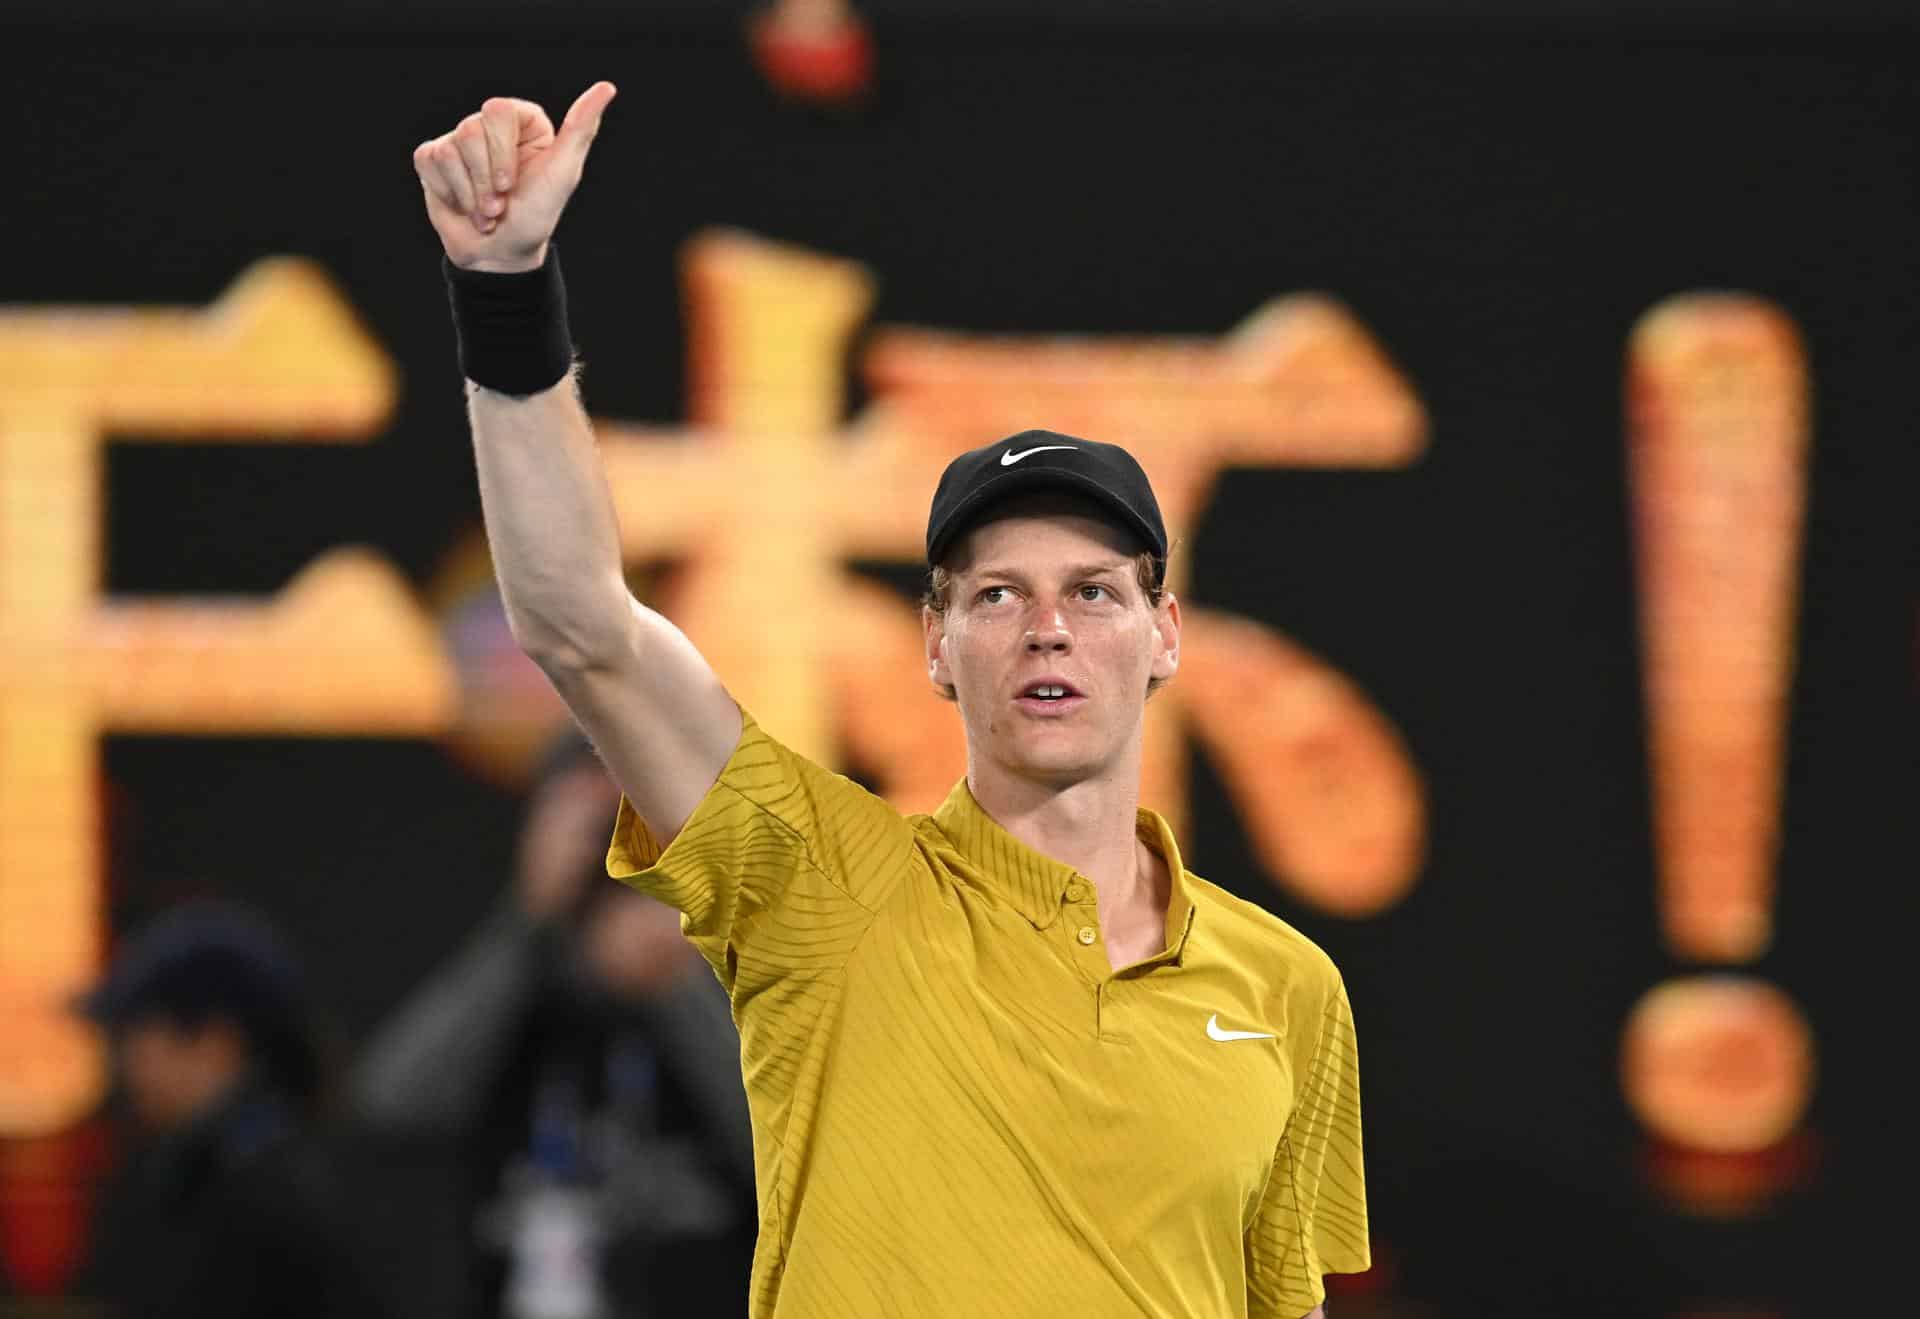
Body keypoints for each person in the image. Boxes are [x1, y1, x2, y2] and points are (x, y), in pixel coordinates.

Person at [413, 82, 1368, 1318]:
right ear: (937, 644)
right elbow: (578, 623)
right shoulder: (824, 885)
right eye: (997, 594)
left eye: (1093, 591)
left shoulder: (1288, 985)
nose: (1048, 627)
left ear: (1164, 635)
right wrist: (504, 291)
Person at [353, 730, 756, 1318]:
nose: (616, 856)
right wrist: (528, 920)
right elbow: (392, 1106)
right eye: (601, 830)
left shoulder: (730, 971)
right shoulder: (513, 986)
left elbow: (788, 1151)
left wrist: (678, 979)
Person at [69, 901, 392, 1319]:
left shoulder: (276, 1201)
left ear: (216, 1044)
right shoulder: (205, 1175)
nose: (128, 1065)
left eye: (140, 1038)